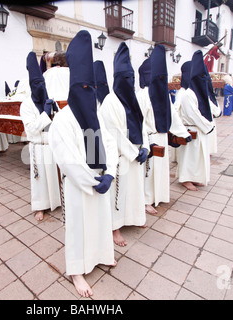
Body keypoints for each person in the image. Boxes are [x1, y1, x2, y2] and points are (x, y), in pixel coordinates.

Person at [48, 30, 118, 298]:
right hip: (81, 185)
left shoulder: (96, 111)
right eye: (83, 88)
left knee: (100, 220)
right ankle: (76, 271)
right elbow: (67, 159)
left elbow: (108, 142)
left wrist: (109, 173)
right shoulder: (63, 120)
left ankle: (100, 254)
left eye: (92, 89)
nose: (88, 93)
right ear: (74, 88)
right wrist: (92, 181)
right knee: (78, 226)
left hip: (101, 179)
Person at [99, 42, 148, 247]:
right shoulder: (110, 101)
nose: (130, 82)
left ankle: (133, 218)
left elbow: (141, 122)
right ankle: (115, 228)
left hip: (135, 154)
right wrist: (132, 152)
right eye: (125, 79)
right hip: (121, 156)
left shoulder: (134, 98)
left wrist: (145, 145)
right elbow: (114, 134)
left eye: (132, 78)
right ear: (117, 80)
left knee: (134, 190)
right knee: (117, 193)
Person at [136, 45, 192, 214]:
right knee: (149, 172)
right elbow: (139, 121)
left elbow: (173, 115)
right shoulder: (142, 95)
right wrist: (145, 143)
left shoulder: (164, 94)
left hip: (162, 137)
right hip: (149, 138)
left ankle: (157, 197)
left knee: (160, 171)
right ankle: (145, 201)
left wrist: (183, 133)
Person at [20, 52, 61, 221]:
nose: (40, 86)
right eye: (36, 83)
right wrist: (45, 113)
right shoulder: (26, 105)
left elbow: (58, 122)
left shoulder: (49, 100)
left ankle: (57, 201)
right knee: (40, 180)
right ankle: (40, 207)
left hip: (52, 145)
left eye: (42, 83)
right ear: (31, 85)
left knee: (54, 176)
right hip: (38, 146)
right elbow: (31, 129)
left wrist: (55, 110)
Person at [175, 51, 215, 191]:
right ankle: (186, 178)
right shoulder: (186, 94)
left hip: (200, 129)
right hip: (192, 128)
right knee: (189, 157)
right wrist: (207, 126)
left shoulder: (195, 92)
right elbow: (193, 115)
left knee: (198, 157)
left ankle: (195, 177)